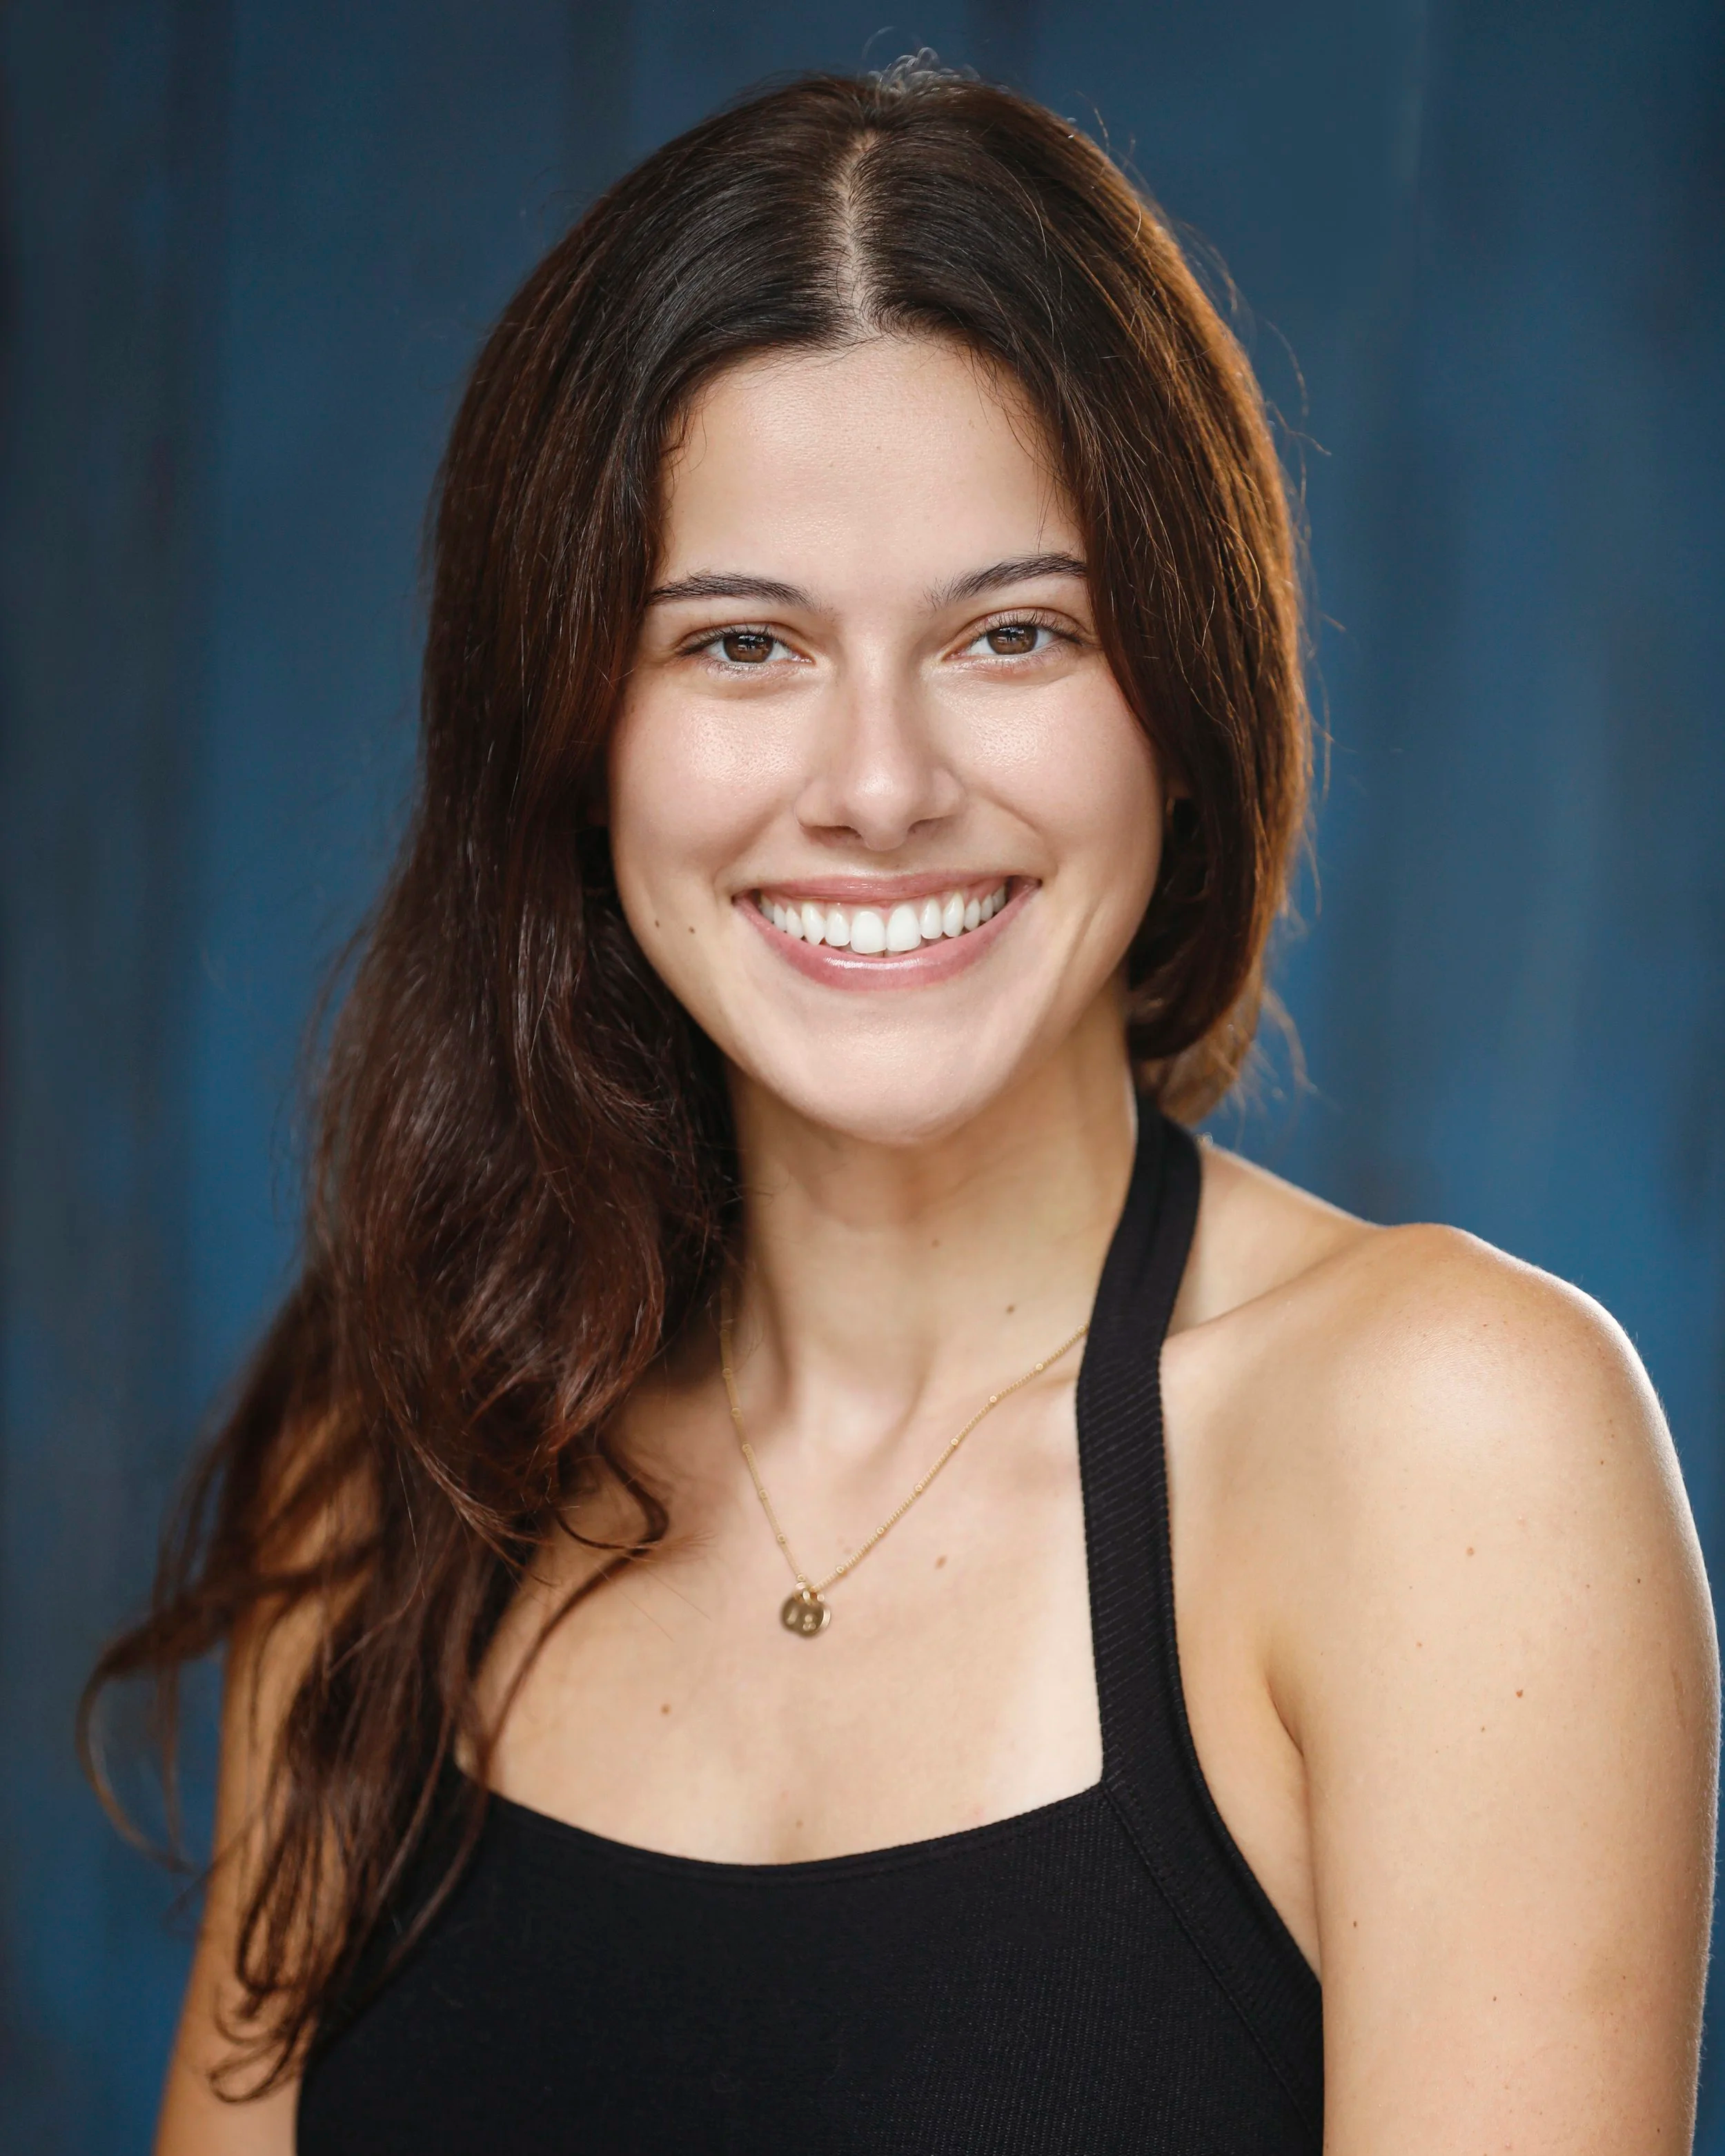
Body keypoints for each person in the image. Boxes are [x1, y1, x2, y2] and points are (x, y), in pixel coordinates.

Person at [88, 62, 1716, 2156]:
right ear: (575, 739)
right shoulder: (399, 1449)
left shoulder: (1448, 1445)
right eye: (742, 642)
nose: (876, 783)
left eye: (1012, 632)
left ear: (1181, 703)